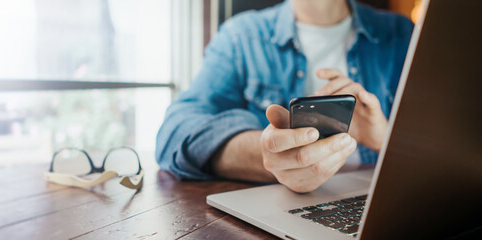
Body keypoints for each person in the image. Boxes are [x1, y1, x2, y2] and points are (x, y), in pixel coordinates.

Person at [155, 0, 414, 193]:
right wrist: (266, 155)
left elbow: (447, 147)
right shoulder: (241, 37)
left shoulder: (403, 35)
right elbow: (173, 134)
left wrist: (386, 140)